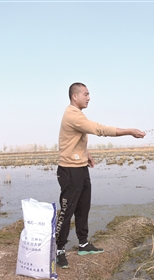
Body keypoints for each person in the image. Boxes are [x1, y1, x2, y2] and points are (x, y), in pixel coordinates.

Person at [55, 82, 146, 269]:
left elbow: (73, 139)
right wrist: (128, 131)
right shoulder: (72, 114)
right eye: (86, 94)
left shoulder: (78, 114)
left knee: (83, 207)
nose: (89, 98)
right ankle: (59, 250)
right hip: (70, 170)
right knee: (67, 211)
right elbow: (99, 129)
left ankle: (83, 244)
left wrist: (85, 154)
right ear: (75, 96)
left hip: (80, 168)